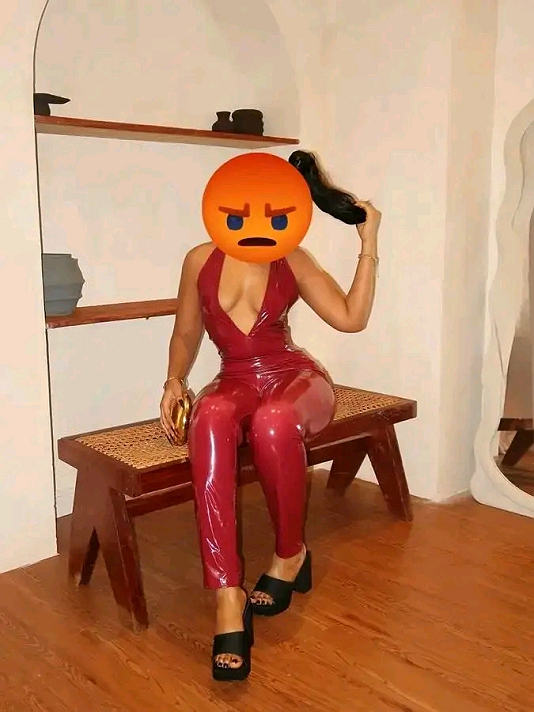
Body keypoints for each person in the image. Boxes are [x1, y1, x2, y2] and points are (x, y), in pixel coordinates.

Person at [160, 151, 381, 681]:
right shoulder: (199, 260)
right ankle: (227, 596)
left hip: (295, 378)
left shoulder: (291, 258)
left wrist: (369, 241)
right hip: (234, 377)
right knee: (211, 415)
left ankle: (290, 555)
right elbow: (186, 332)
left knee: (275, 421)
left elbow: (351, 318)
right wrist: (173, 380)